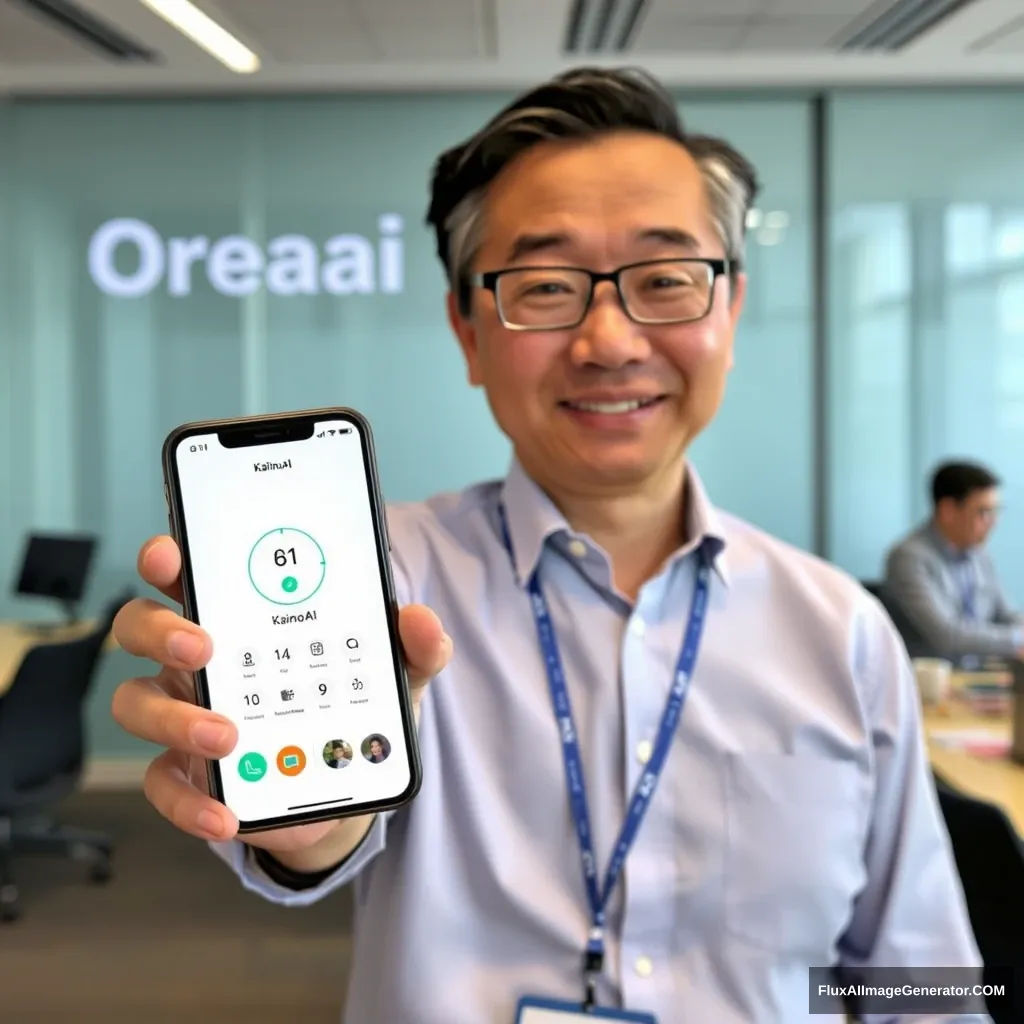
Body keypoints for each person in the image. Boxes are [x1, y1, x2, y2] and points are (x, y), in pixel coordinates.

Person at [110, 68, 987, 1023]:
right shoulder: (385, 587)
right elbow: (311, 846)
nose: (608, 339)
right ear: (468, 330)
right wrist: (303, 827)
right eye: (545, 287)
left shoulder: (844, 633)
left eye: (664, 281)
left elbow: (916, 974)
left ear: (729, 312)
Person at [884, 460, 1023, 661]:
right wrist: (1017, 638)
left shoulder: (979, 554)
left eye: (996, 512)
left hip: (979, 679)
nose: (993, 523)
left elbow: (1007, 615)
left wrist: (1019, 629)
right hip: (930, 686)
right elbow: (948, 635)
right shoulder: (908, 558)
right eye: (983, 512)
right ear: (948, 510)